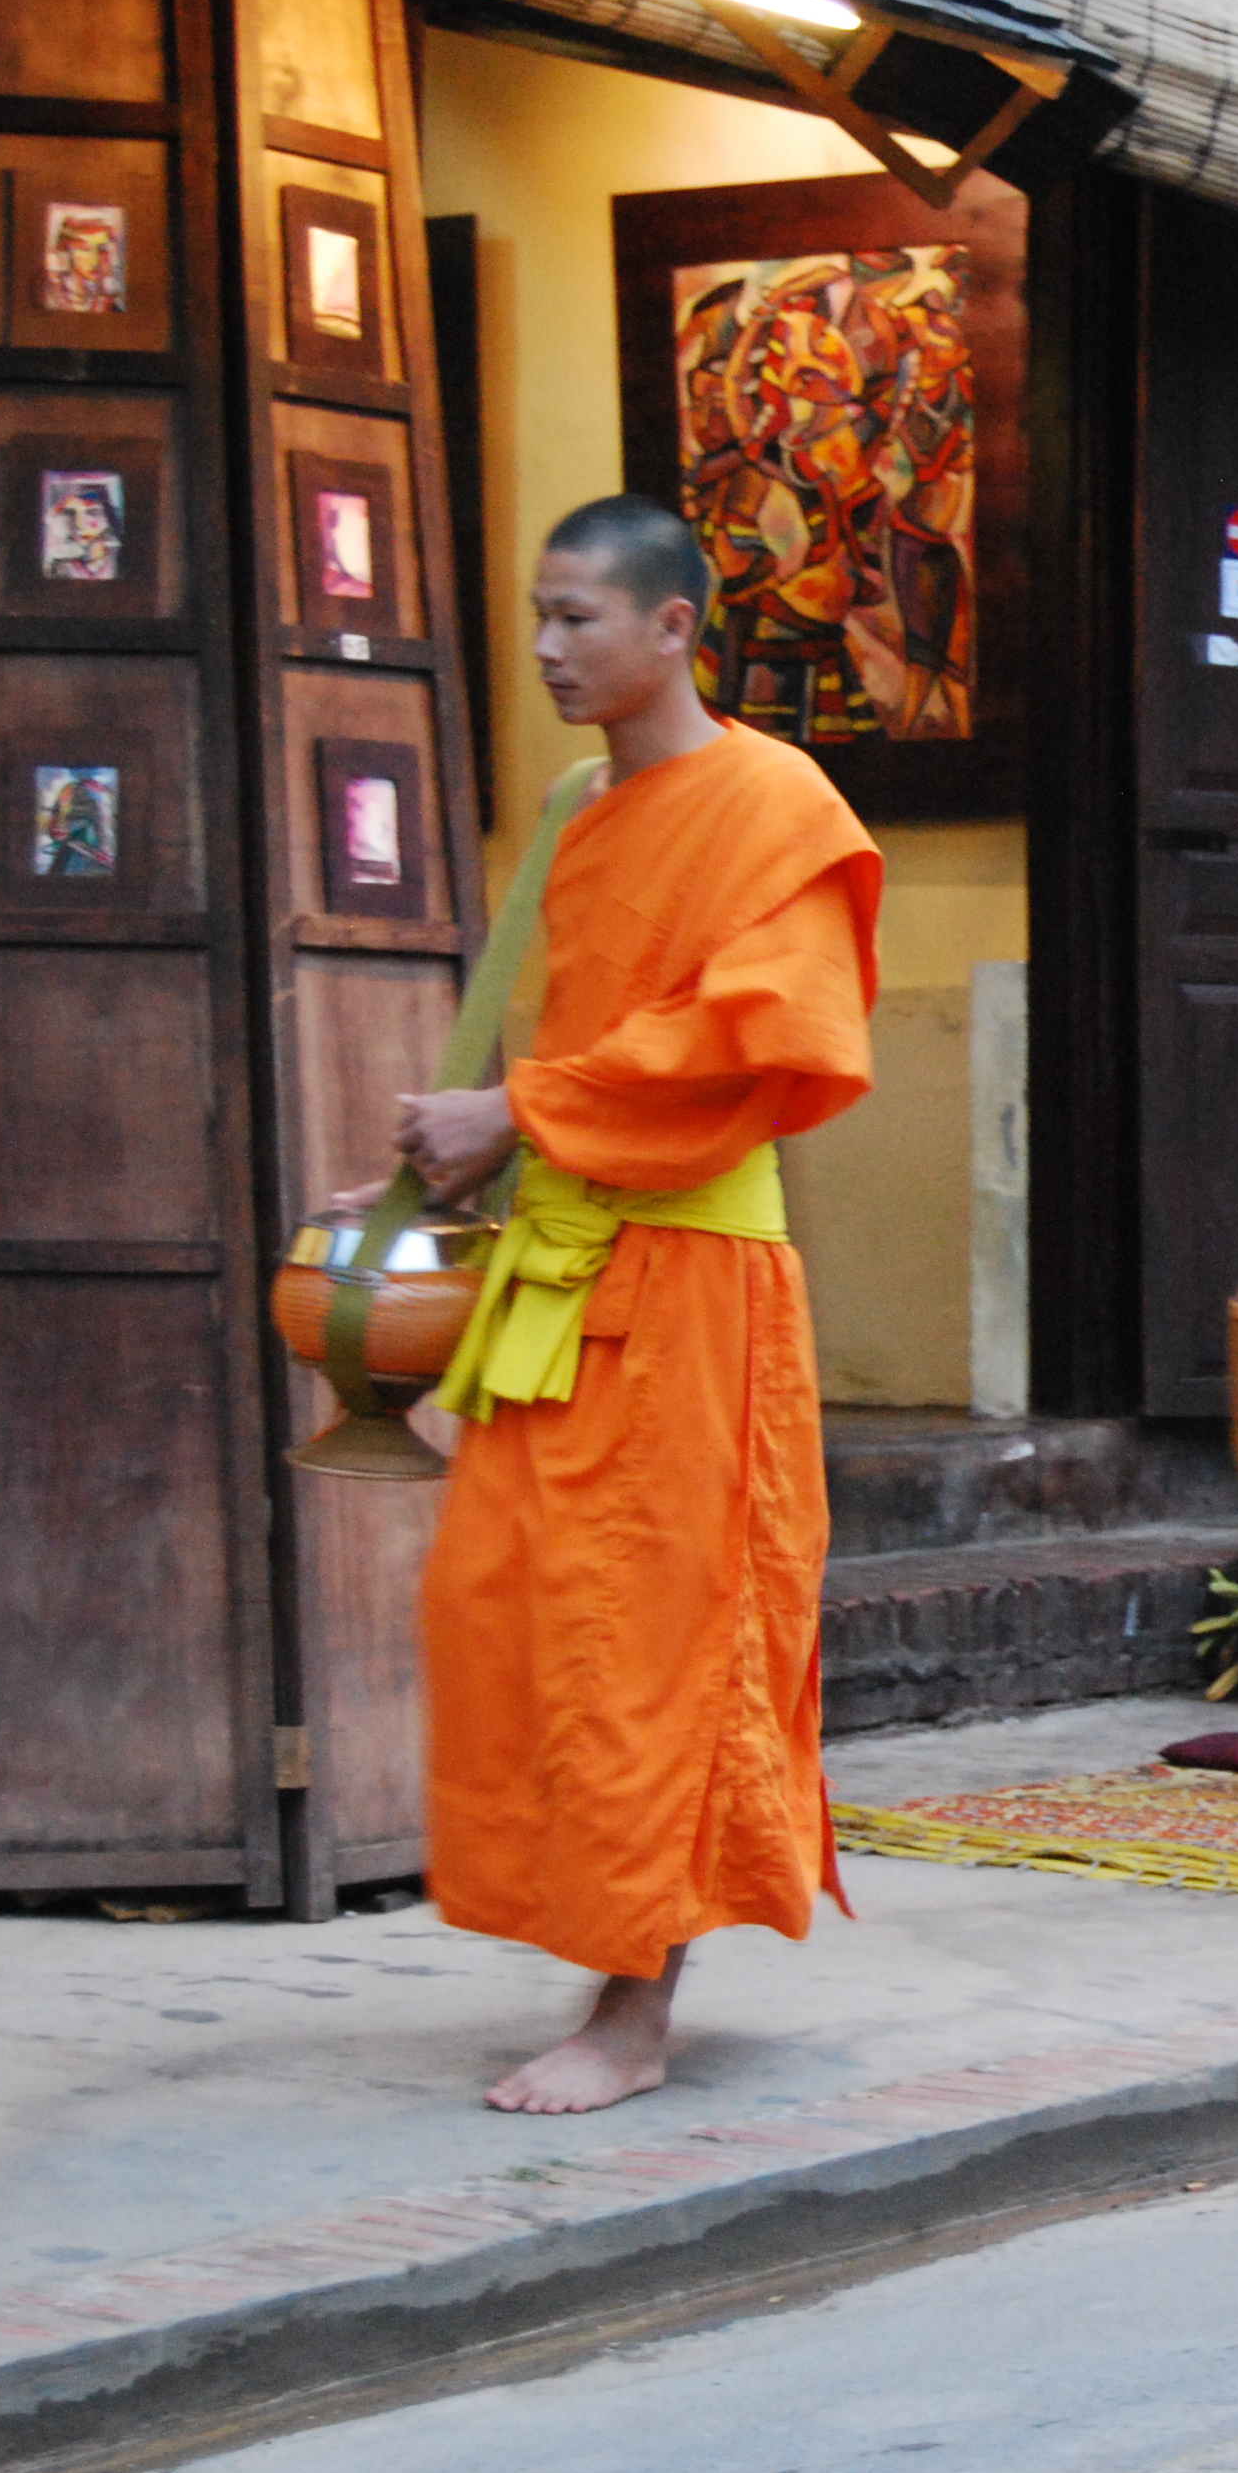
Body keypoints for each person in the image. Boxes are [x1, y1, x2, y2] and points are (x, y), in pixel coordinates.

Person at [405, 496, 882, 2114]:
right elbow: (585, 1026)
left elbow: (760, 1043)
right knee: (502, 1607)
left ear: (674, 627)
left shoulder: (774, 805)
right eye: (534, 617)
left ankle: (634, 2008)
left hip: (689, 1280)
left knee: (648, 1640)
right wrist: (456, 1168)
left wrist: (522, 1110)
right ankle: (597, 1936)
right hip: (558, 1266)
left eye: (576, 619)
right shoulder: (573, 803)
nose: (544, 650)